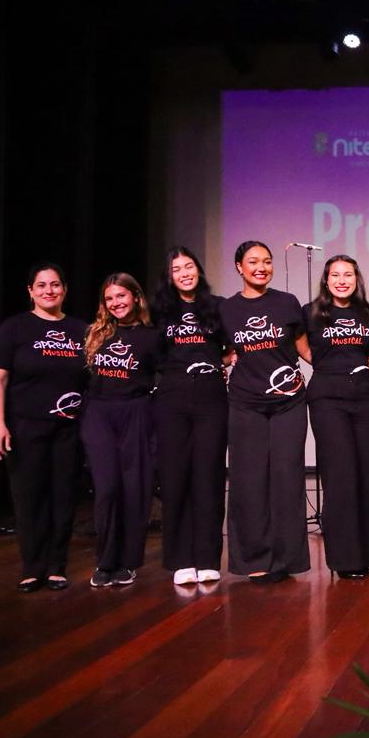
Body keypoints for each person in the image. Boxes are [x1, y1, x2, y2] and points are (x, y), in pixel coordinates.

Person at [0, 263, 88, 592]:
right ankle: (32, 567)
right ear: (30, 291)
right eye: (41, 285)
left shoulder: (81, 330)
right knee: (30, 498)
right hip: (26, 426)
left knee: (62, 497)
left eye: (55, 285)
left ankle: (57, 566)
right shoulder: (14, 328)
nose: (49, 291)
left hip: (68, 429)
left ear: (65, 290)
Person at [220, 240, 312, 583]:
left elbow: (304, 349)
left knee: (288, 479)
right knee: (249, 481)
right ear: (239, 267)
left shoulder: (287, 303)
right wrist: (225, 360)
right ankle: (254, 560)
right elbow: (223, 351)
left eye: (267, 261)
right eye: (253, 261)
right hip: (246, 404)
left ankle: (286, 559)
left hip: (289, 403)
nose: (262, 267)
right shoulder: (226, 310)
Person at [151, 247, 228, 586]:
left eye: (189, 266)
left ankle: (208, 557)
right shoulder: (158, 311)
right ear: (169, 276)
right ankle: (182, 558)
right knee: (176, 477)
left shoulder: (217, 307)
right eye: (177, 269)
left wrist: (226, 365)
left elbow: (232, 349)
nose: (184, 273)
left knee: (208, 477)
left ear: (199, 269)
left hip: (211, 399)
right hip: (172, 401)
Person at [80, 273, 161, 588]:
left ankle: (127, 562)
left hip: (136, 413)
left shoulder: (151, 336)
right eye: (109, 298)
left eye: (121, 296)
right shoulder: (94, 334)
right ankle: (105, 560)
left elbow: (169, 372)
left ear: (136, 297)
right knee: (108, 488)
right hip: (98, 414)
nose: (116, 303)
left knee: (134, 488)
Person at [306, 255, 369, 580]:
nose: (341, 280)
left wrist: (361, 378)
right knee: (341, 477)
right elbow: (299, 343)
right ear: (326, 280)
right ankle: (344, 558)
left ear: (356, 278)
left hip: (365, 400)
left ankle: (364, 555)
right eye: (335, 275)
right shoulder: (311, 312)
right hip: (327, 400)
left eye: (347, 274)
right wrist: (325, 368)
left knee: (367, 475)